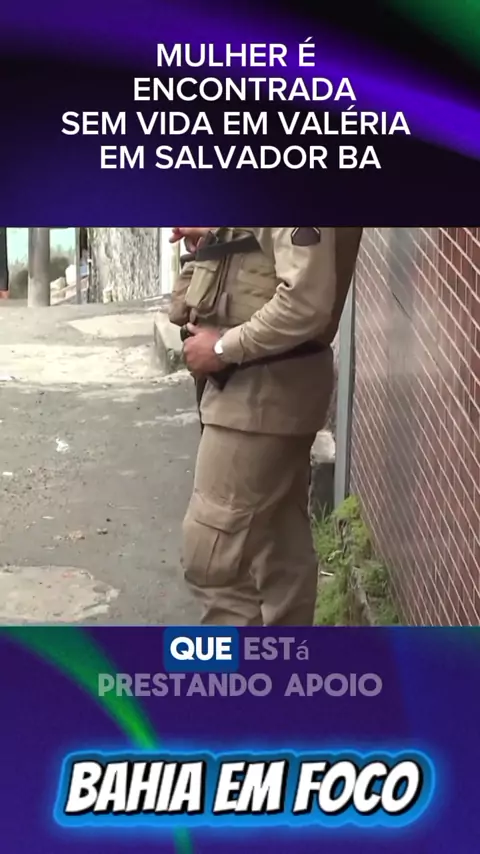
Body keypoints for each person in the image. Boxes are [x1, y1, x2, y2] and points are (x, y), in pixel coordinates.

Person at [168, 226, 362, 626]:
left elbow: (305, 303)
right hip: (260, 389)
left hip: (260, 392)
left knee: (214, 557)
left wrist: (221, 348)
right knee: (278, 552)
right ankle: (283, 662)